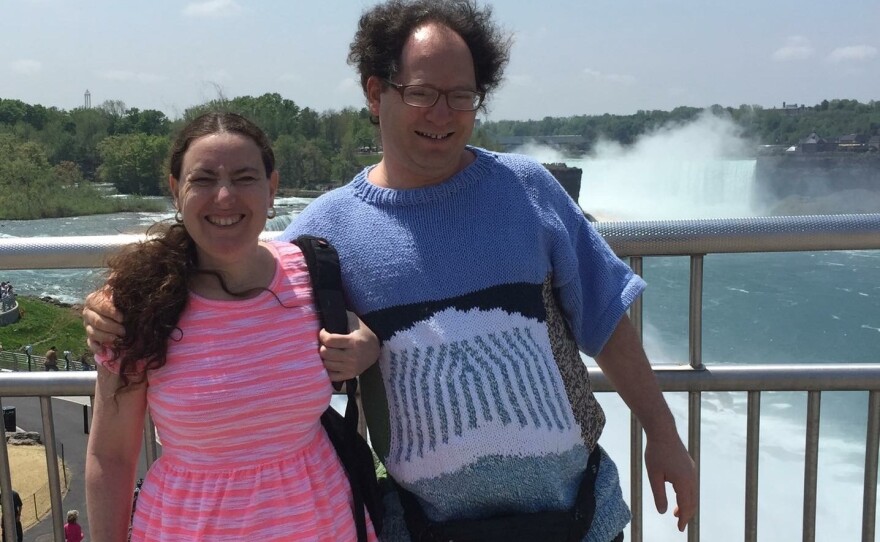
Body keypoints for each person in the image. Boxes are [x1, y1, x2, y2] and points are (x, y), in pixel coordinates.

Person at [84, 1, 697, 540]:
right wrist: (123, 297)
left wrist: (664, 435)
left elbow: (606, 318)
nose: (444, 112)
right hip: (424, 524)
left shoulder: (529, 189)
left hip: (575, 516)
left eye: (463, 94)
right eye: (423, 92)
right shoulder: (326, 231)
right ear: (377, 93)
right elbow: (233, 250)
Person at [84, 112, 378, 541]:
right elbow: (110, 456)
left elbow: (353, 331)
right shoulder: (138, 304)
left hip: (324, 523)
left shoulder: (312, 274)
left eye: (244, 178)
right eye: (203, 179)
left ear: (272, 188)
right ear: (175, 190)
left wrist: (367, 344)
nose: (224, 196)